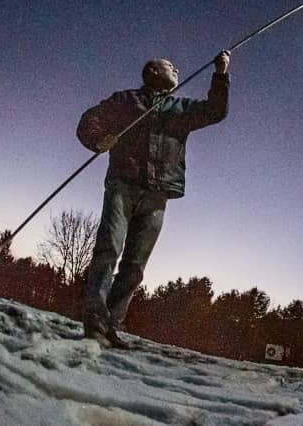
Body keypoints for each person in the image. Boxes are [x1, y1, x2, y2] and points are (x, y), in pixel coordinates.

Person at [76, 51, 230, 348]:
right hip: (124, 184)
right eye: (169, 65)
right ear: (153, 72)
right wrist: (98, 140)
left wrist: (221, 74)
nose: (176, 67)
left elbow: (215, 111)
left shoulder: (181, 108)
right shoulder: (125, 100)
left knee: (135, 266)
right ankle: (94, 322)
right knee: (109, 249)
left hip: (159, 193)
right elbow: (88, 120)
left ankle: (111, 323)